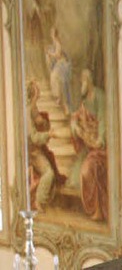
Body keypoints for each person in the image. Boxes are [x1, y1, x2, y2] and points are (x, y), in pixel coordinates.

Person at [70, 68, 108, 221]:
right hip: (90, 146)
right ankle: (94, 208)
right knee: (79, 173)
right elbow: (77, 115)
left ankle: (98, 209)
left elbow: (104, 118)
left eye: (83, 81)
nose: (82, 85)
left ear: (88, 80)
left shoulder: (99, 95)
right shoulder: (85, 101)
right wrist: (75, 124)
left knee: (88, 170)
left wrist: (101, 139)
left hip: (103, 146)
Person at [27, 80, 66, 212]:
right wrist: (48, 134)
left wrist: (42, 122)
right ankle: (39, 201)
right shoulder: (27, 111)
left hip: (36, 149)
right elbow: (34, 138)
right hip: (31, 152)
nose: (39, 94)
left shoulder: (31, 108)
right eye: (37, 91)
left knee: (51, 159)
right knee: (49, 173)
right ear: (33, 94)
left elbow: (38, 119)